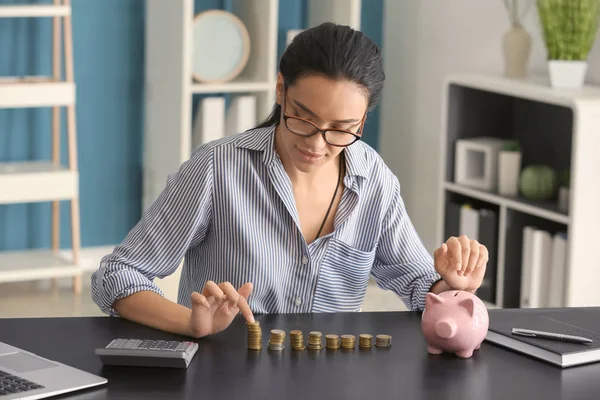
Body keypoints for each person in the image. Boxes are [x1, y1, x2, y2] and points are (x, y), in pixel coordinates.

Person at [91, 22, 488, 339]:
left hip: (329, 381)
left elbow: (418, 282)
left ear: (362, 121)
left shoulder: (375, 181)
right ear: (281, 89)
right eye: (304, 117)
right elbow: (117, 275)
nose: (317, 143)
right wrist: (189, 324)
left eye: (341, 128)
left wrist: (448, 286)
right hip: (221, 380)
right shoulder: (217, 167)